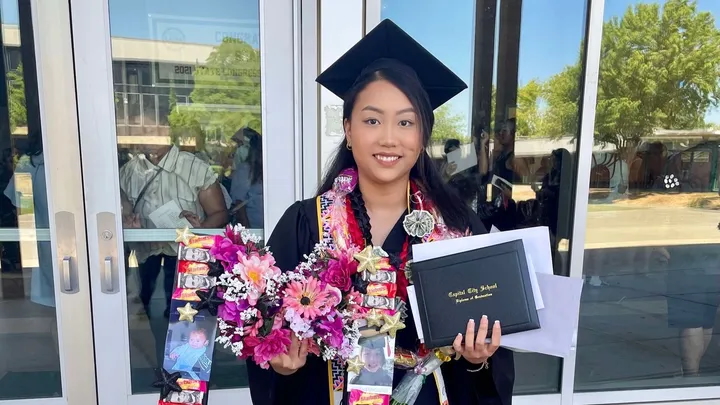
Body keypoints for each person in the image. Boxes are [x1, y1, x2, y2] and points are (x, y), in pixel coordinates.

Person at [247, 19, 513, 405]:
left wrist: (477, 360)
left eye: (406, 122)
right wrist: (281, 362)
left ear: (422, 137)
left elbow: (489, 357)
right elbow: (269, 338)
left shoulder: (458, 228)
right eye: (372, 120)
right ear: (349, 130)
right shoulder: (305, 226)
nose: (389, 137)